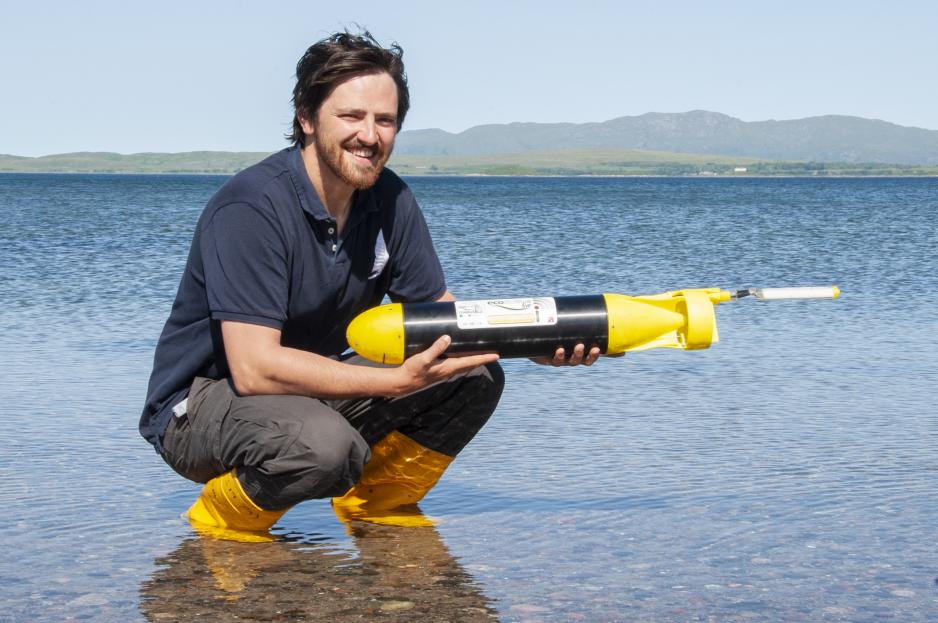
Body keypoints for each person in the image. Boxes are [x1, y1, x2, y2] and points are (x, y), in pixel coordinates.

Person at [140, 31, 600, 537]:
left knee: (472, 377)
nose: (370, 134)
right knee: (323, 448)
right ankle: (222, 522)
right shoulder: (251, 207)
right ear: (307, 117)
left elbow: (442, 321)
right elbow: (254, 369)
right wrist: (393, 382)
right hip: (198, 406)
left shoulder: (390, 199)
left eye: (384, 120)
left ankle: (374, 506)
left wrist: (531, 344)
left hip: (298, 393)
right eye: (351, 116)